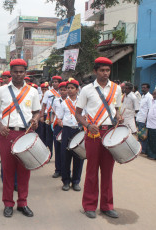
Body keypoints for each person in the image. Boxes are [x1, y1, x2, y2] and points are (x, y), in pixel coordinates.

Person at [0, 59, 40, 218]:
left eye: (21, 72)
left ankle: (23, 203)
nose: (18, 74)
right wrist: (0, 125)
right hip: (7, 134)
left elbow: (37, 111)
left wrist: (36, 119)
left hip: (25, 133)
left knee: (25, 170)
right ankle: (8, 203)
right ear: (10, 72)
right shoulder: (1, 90)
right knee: (8, 171)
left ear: (26, 73)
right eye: (16, 71)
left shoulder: (32, 91)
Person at [75, 57, 123, 219]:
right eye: (102, 70)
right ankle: (89, 205)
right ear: (95, 72)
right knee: (92, 171)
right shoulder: (87, 89)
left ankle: (107, 206)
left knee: (108, 171)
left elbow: (115, 109)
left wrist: (119, 115)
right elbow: (78, 113)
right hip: (93, 133)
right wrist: (88, 126)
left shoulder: (116, 89)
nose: (105, 73)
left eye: (107, 70)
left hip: (110, 133)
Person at [57, 79, 84, 191]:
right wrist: (60, 122)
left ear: (77, 90)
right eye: (68, 88)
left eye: (72, 88)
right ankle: (66, 181)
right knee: (65, 157)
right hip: (67, 130)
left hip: (79, 130)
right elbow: (59, 118)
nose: (69, 90)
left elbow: (86, 115)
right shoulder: (63, 103)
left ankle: (76, 181)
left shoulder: (82, 102)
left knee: (79, 156)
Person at [40, 76, 62, 156]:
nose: (54, 83)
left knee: (58, 136)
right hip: (49, 115)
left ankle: (59, 154)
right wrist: (42, 116)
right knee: (48, 135)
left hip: (59, 116)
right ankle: (49, 154)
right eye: (53, 82)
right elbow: (43, 104)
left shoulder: (62, 92)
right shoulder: (48, 92)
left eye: (56, 82)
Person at [51, 81, 68, 178]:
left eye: (65, 90)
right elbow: (53, 112)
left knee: (65, 150)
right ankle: (58, 170)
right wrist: (52, 120)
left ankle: (65, 171)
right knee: (57, 148)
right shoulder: (56, 100)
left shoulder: (71, 101)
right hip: (57, 126)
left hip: (66, 126)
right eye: (61, 90)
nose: (63, 92)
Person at [136, 83, 152, 155]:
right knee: (140, 134)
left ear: (148, 89)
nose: (143, 89)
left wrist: (146, 121)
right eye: (142, 87)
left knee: (144, 136)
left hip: (144, 120)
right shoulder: (142, 96)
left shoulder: (149, 97)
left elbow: (150, 109)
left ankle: (144, 150)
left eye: (145, 88)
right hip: (140, 118)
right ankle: (140, 148)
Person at [146, 90, 156, 160]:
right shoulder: (152, 101)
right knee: (150, 140)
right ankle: (150, 154)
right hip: (150, 125)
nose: (154, 95)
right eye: (153, 94)